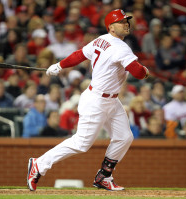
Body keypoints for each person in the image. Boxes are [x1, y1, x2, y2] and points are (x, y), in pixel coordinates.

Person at [27, 9, 149, 191]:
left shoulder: (101, 39)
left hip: (110, 100)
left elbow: (79, 54)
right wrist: (145, 70)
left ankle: (104, 177)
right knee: (81, 143)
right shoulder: (120, 47)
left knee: (124, 137)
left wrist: (59, 65)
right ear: (111, 27)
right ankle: (39, 164)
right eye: (121, 21)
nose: (126, 24)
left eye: (126, 21)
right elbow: (139, 73)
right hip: (97, 100)